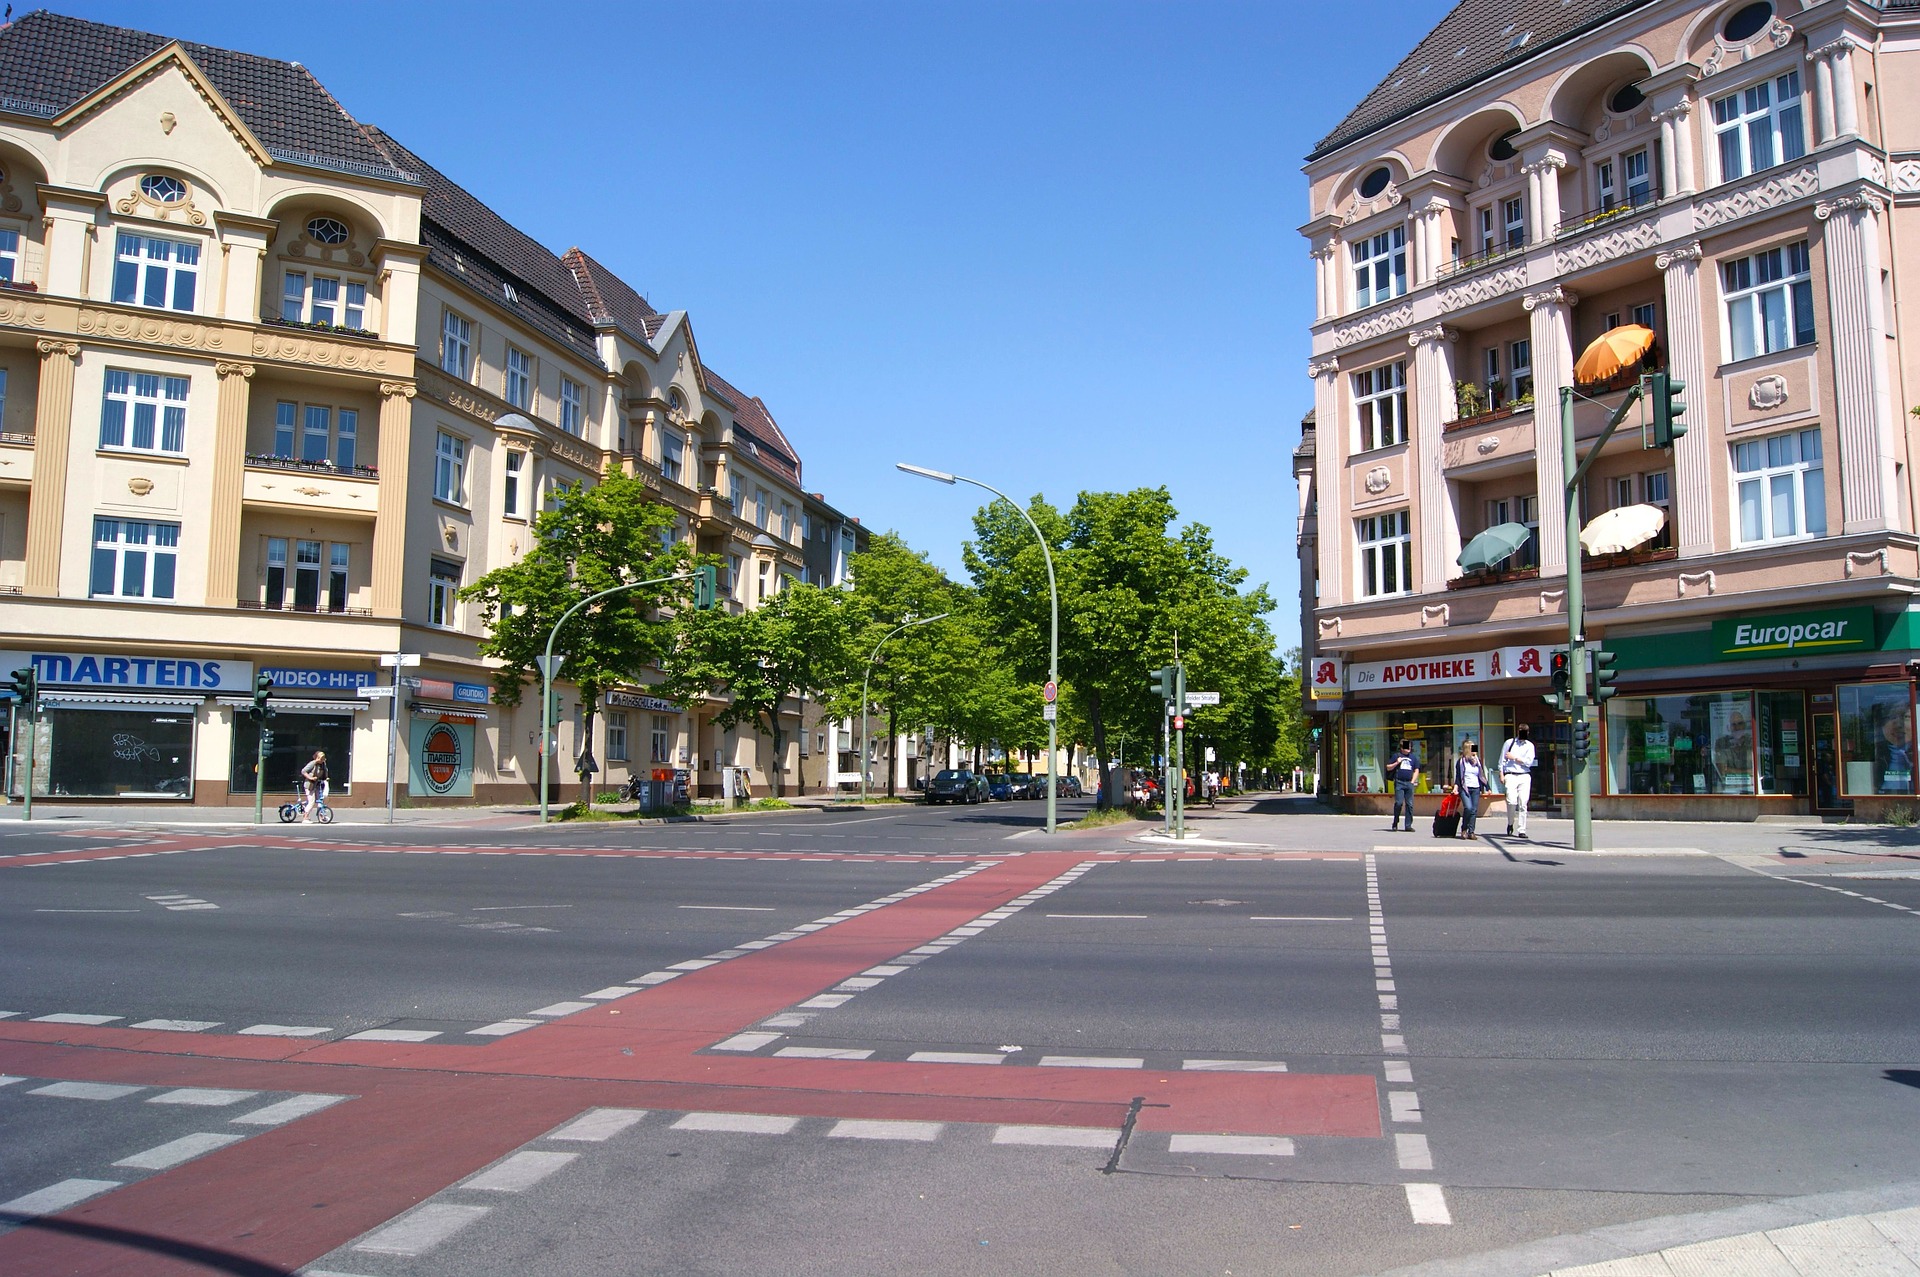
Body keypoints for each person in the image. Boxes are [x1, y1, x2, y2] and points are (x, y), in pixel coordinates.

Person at [1500, 726, 1536, 837]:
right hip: (1510, 775)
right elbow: (1501, 760)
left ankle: (1522, 830)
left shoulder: (1530, 746)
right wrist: (1501, 775)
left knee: (1523, 802)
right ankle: (1510, 823)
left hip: (1524, 775)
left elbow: (1528, 762)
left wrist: (1515, 758)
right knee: (1511, 801)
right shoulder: (1509, 743)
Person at [1453, 740, 1485, 839]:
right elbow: (1458, 776)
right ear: (1467, 749)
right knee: (1468, 808)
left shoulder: (1477, 761)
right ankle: (1464, 829)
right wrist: (1455, 787)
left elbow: (1481, 775)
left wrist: (1487, 787)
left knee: (1474, 810)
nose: (1475, 750)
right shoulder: (1461, 762)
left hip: (1475, 788)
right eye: (1473, 748)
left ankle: (1471, 832)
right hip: (1465, 788)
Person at [1385, 740, 1419, 832]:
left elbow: (1416, 770)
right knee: (1399, 803)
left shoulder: (1413, 758)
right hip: (1399, 782)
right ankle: (1395, 822)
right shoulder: (1397, 756)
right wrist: (1396, 762)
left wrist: (1412, 781)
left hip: (1409, 783)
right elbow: (1388, 767)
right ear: (1401, 748)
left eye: (1410, 747)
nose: (1409, 749)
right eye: (1407, 747)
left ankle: (1408, 825)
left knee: (1409, 804)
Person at [299, 750, 329, 822]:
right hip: (310, 785)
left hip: (318, 785)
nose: (322, 760)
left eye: (323, 758)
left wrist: (326, 778)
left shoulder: (323, 764)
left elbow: (324, 772)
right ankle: (305, 817)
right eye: (321, 758)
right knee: (311, 801)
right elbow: (303, 771)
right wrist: (310, 778)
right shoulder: (312, 763)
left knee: (321, 800)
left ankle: (321, 816)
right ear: (317, 758)